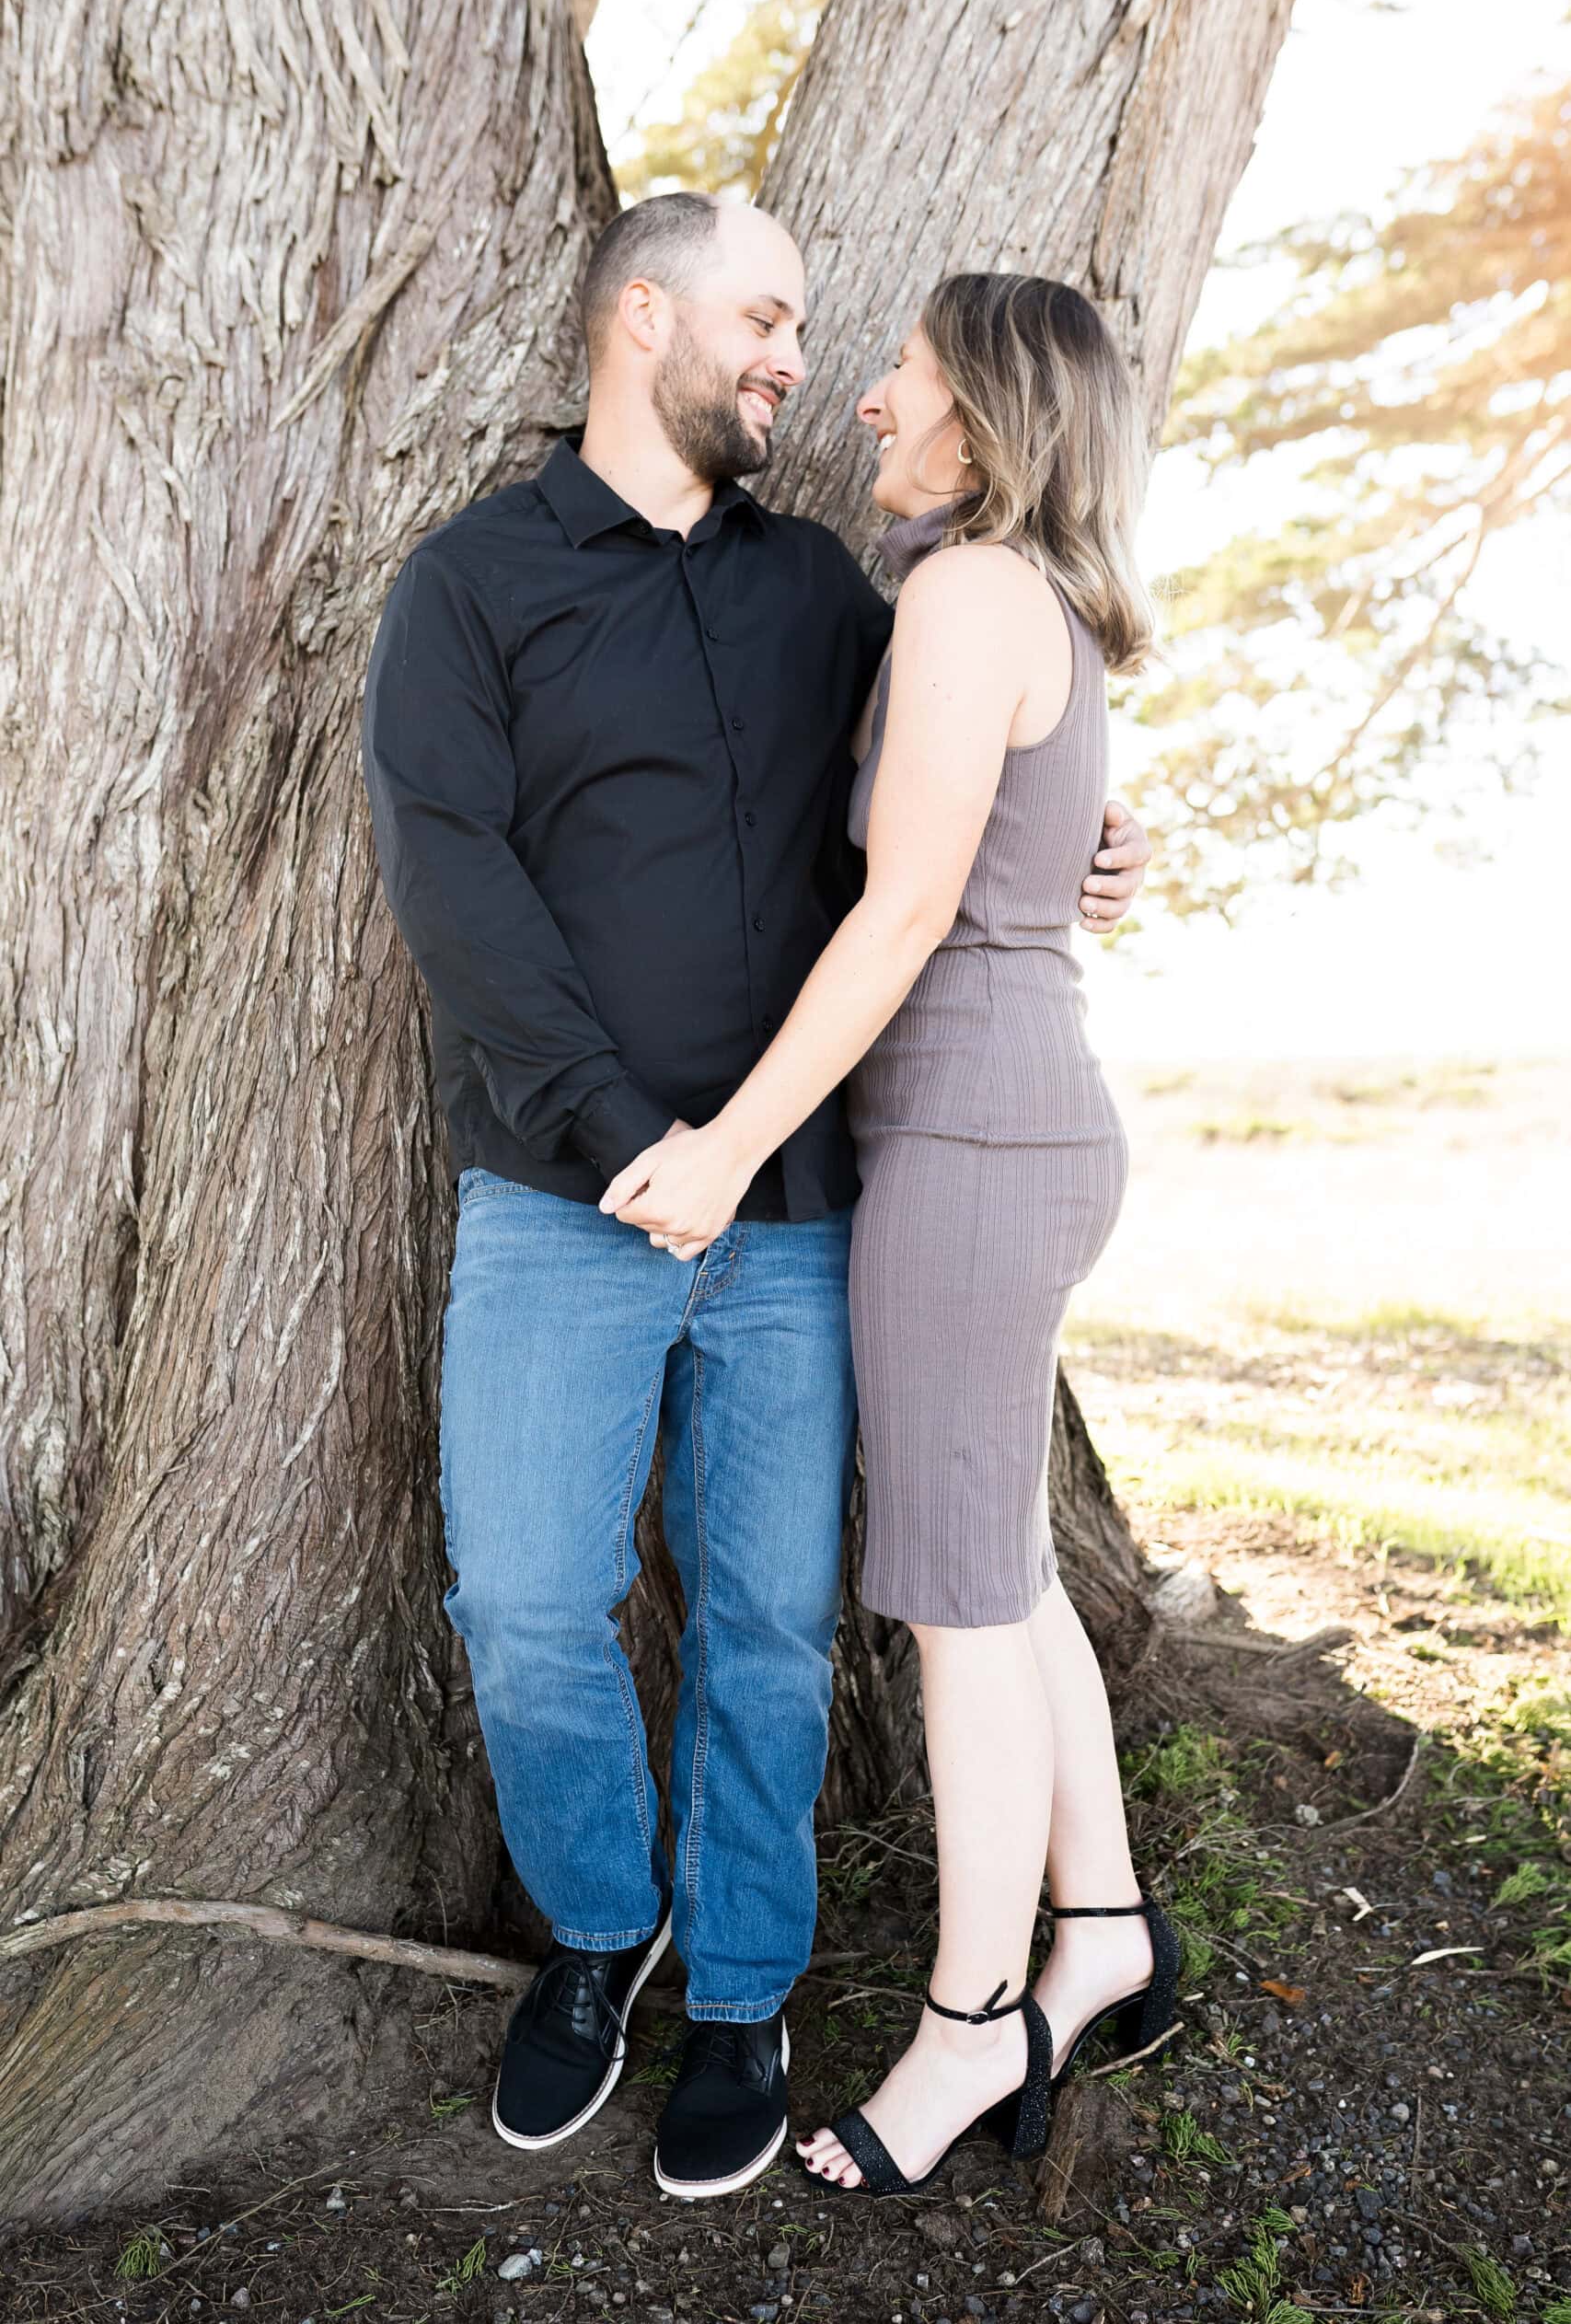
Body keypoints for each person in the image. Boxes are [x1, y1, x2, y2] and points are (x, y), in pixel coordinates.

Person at [360, 194, 1150, 2203]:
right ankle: (597, 1930)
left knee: (772, 1629)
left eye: (812, 332)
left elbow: (957, 795)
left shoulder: (832, 590)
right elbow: (453, 880)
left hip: (802, 1205)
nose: (798, 362)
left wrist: (1099, 830)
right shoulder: (472, 584)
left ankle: (740, 1988)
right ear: (646, 315)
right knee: (523, 1599)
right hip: (567, 1194)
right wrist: (627, 1134)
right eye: (767, 318)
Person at [599, 272, 1179, 2196]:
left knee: (953, 1599)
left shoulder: (965, 593)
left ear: (982, 417)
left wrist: (727, 1144)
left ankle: (970, 2021)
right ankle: (1104, 1927)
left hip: (970, 1134)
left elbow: (908, 907)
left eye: (904, 376)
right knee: (997, 1563)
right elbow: (1017, 850)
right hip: (1008, 1119)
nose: (865, 400)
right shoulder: (1022, 599)